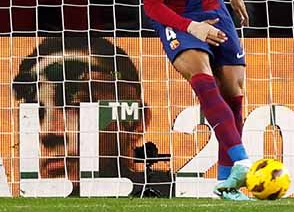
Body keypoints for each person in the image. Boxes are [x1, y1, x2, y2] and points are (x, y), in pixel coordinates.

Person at [143, 0, 254, 199]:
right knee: (203, 75)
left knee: (234, 88)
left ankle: (226, 183)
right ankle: (242, 160)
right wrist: (192, 28)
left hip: (213, 6)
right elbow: (151, 5)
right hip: (175, 15)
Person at [12, 36, 174, 197]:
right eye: (38, 114)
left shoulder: (170, 196)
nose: (48, 133)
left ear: (135, 121)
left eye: (77, 105)